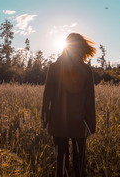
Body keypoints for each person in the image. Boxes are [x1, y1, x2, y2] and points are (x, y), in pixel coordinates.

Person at [42, 33, 96, 177]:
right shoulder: (85, 70)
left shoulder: (54, 67)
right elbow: (90, 100)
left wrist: (45, 120)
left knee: (61, 161)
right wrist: (91, 124)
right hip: (80, 121)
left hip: (59, 121)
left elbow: (47, 96)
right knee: (79, 162)